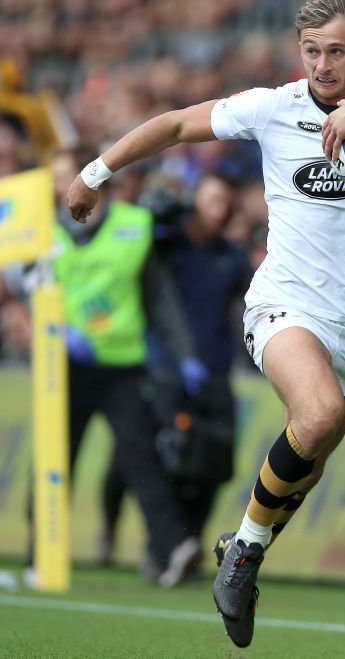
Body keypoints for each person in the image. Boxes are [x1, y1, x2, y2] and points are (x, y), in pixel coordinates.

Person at [65, 0, 345, 648]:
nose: (324, 64)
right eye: (312, 51)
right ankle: (245, 554)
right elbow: (173, 125)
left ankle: (241, 540)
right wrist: (96, 171)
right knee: (319, 414)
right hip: (284, 303)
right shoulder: (273, 107)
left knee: (311, 460)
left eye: (337, 51)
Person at [27, 149, 204, 588]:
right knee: (55, 457)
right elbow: (26, 292)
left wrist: (185, 354)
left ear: (91, 180)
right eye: (53, 178)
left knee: (141, 459)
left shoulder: (133, 227)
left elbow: (159, 299)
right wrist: (55, 329)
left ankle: (173, 548)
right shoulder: (41, 233)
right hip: (63, 367)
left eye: (63, 176)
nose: (55, 186)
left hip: (123, 366)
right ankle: (39, 554)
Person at [99, 173, 253, 585]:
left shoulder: (230, 256)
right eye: (210, 198)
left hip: (212, 372)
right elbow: (139, 248)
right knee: (159, 460)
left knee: (213, 464)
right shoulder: (167, 245)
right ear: (193, 203)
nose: (217, 208)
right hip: (164, 368)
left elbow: (253, 300)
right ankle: (158, 544)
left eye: (224, 201)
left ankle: (187, 543)